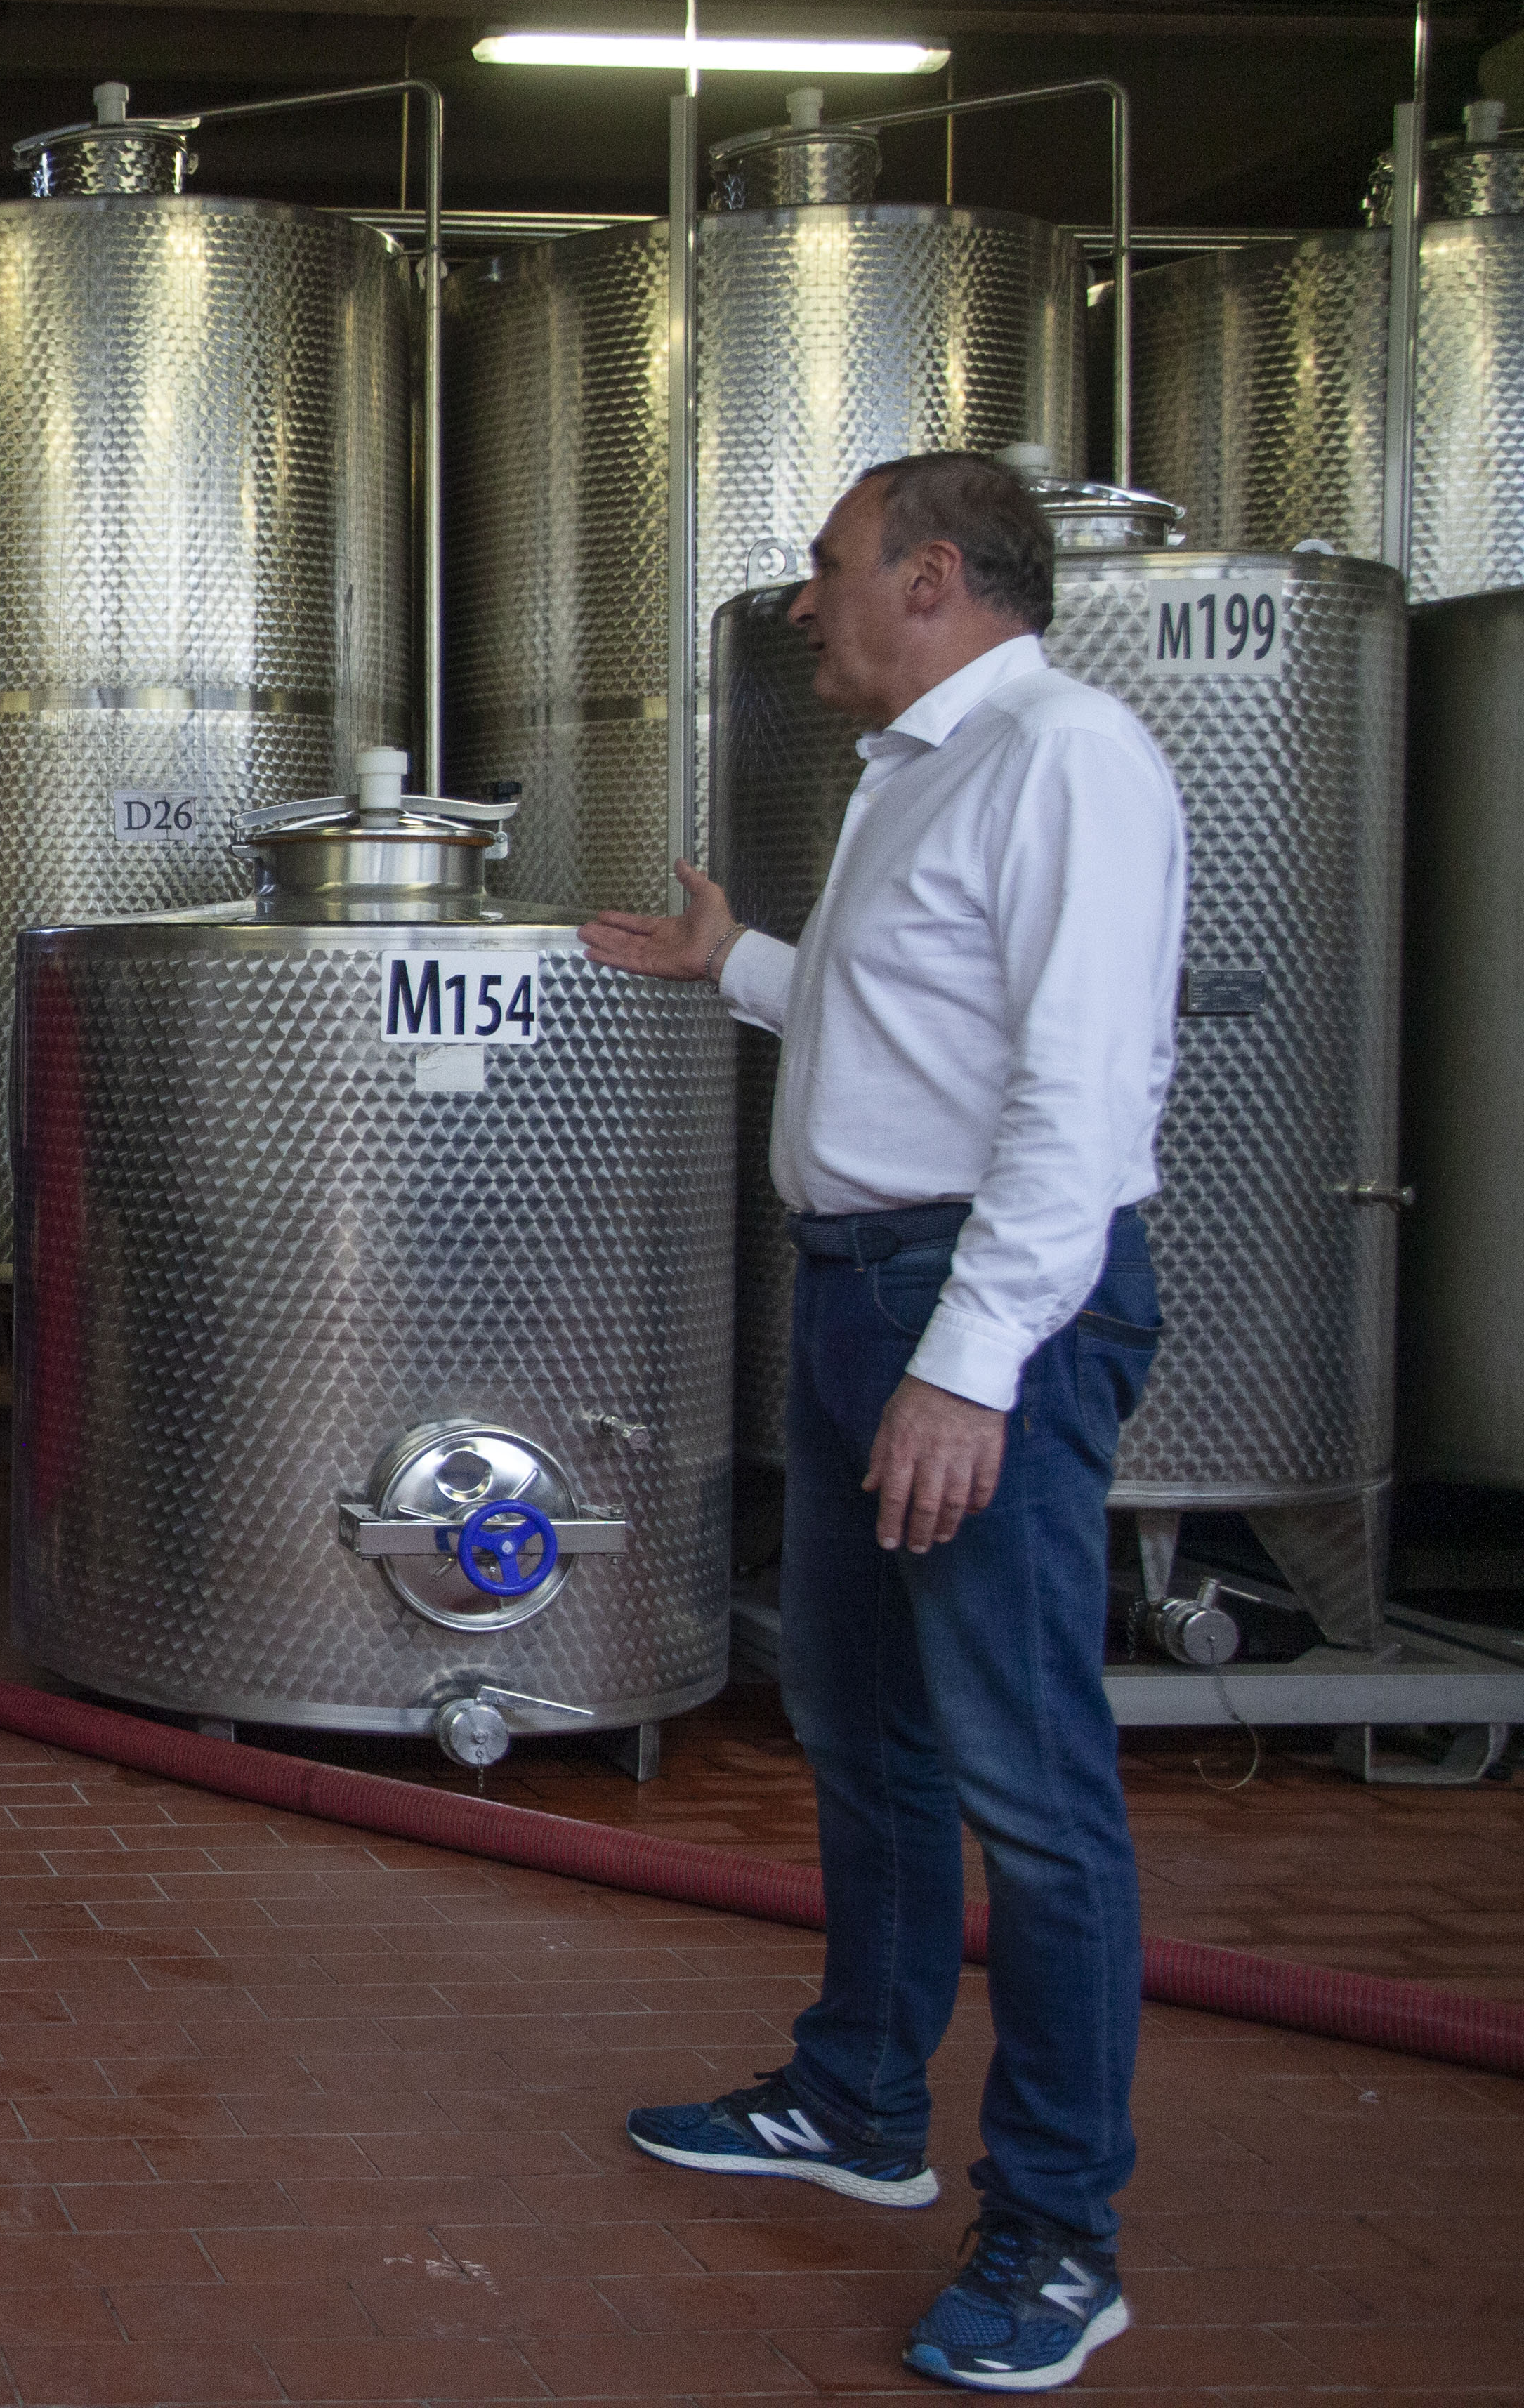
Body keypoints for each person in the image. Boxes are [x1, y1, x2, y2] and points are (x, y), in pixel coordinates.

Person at [585, 452, 1184, 2397]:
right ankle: (858, 2099)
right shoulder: (915, 771)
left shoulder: (1066, 758)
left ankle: (1057, 2232)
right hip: (862, 1290)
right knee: (864, 1729)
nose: (803, 600)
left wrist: (971, 1361)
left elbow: (1077, 1103)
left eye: (829, 564)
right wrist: (734, 965)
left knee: (1029, 1781)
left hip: (970, 1304)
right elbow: (913, 1023)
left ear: (933, 577)